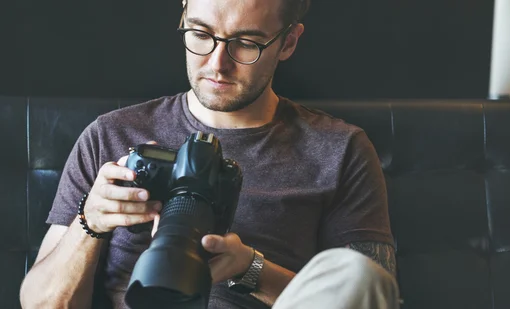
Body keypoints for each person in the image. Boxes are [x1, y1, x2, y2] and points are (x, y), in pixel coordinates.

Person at [19, 0, 401, 308]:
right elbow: (42, 305)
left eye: (247, 42)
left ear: (288, 42)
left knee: (357, 275)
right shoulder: (112, 136)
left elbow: (368, 295)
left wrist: (252, 269)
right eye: (200, 34)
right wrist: (90, 223)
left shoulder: (340, 149)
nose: (218, 63)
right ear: (183, 15)